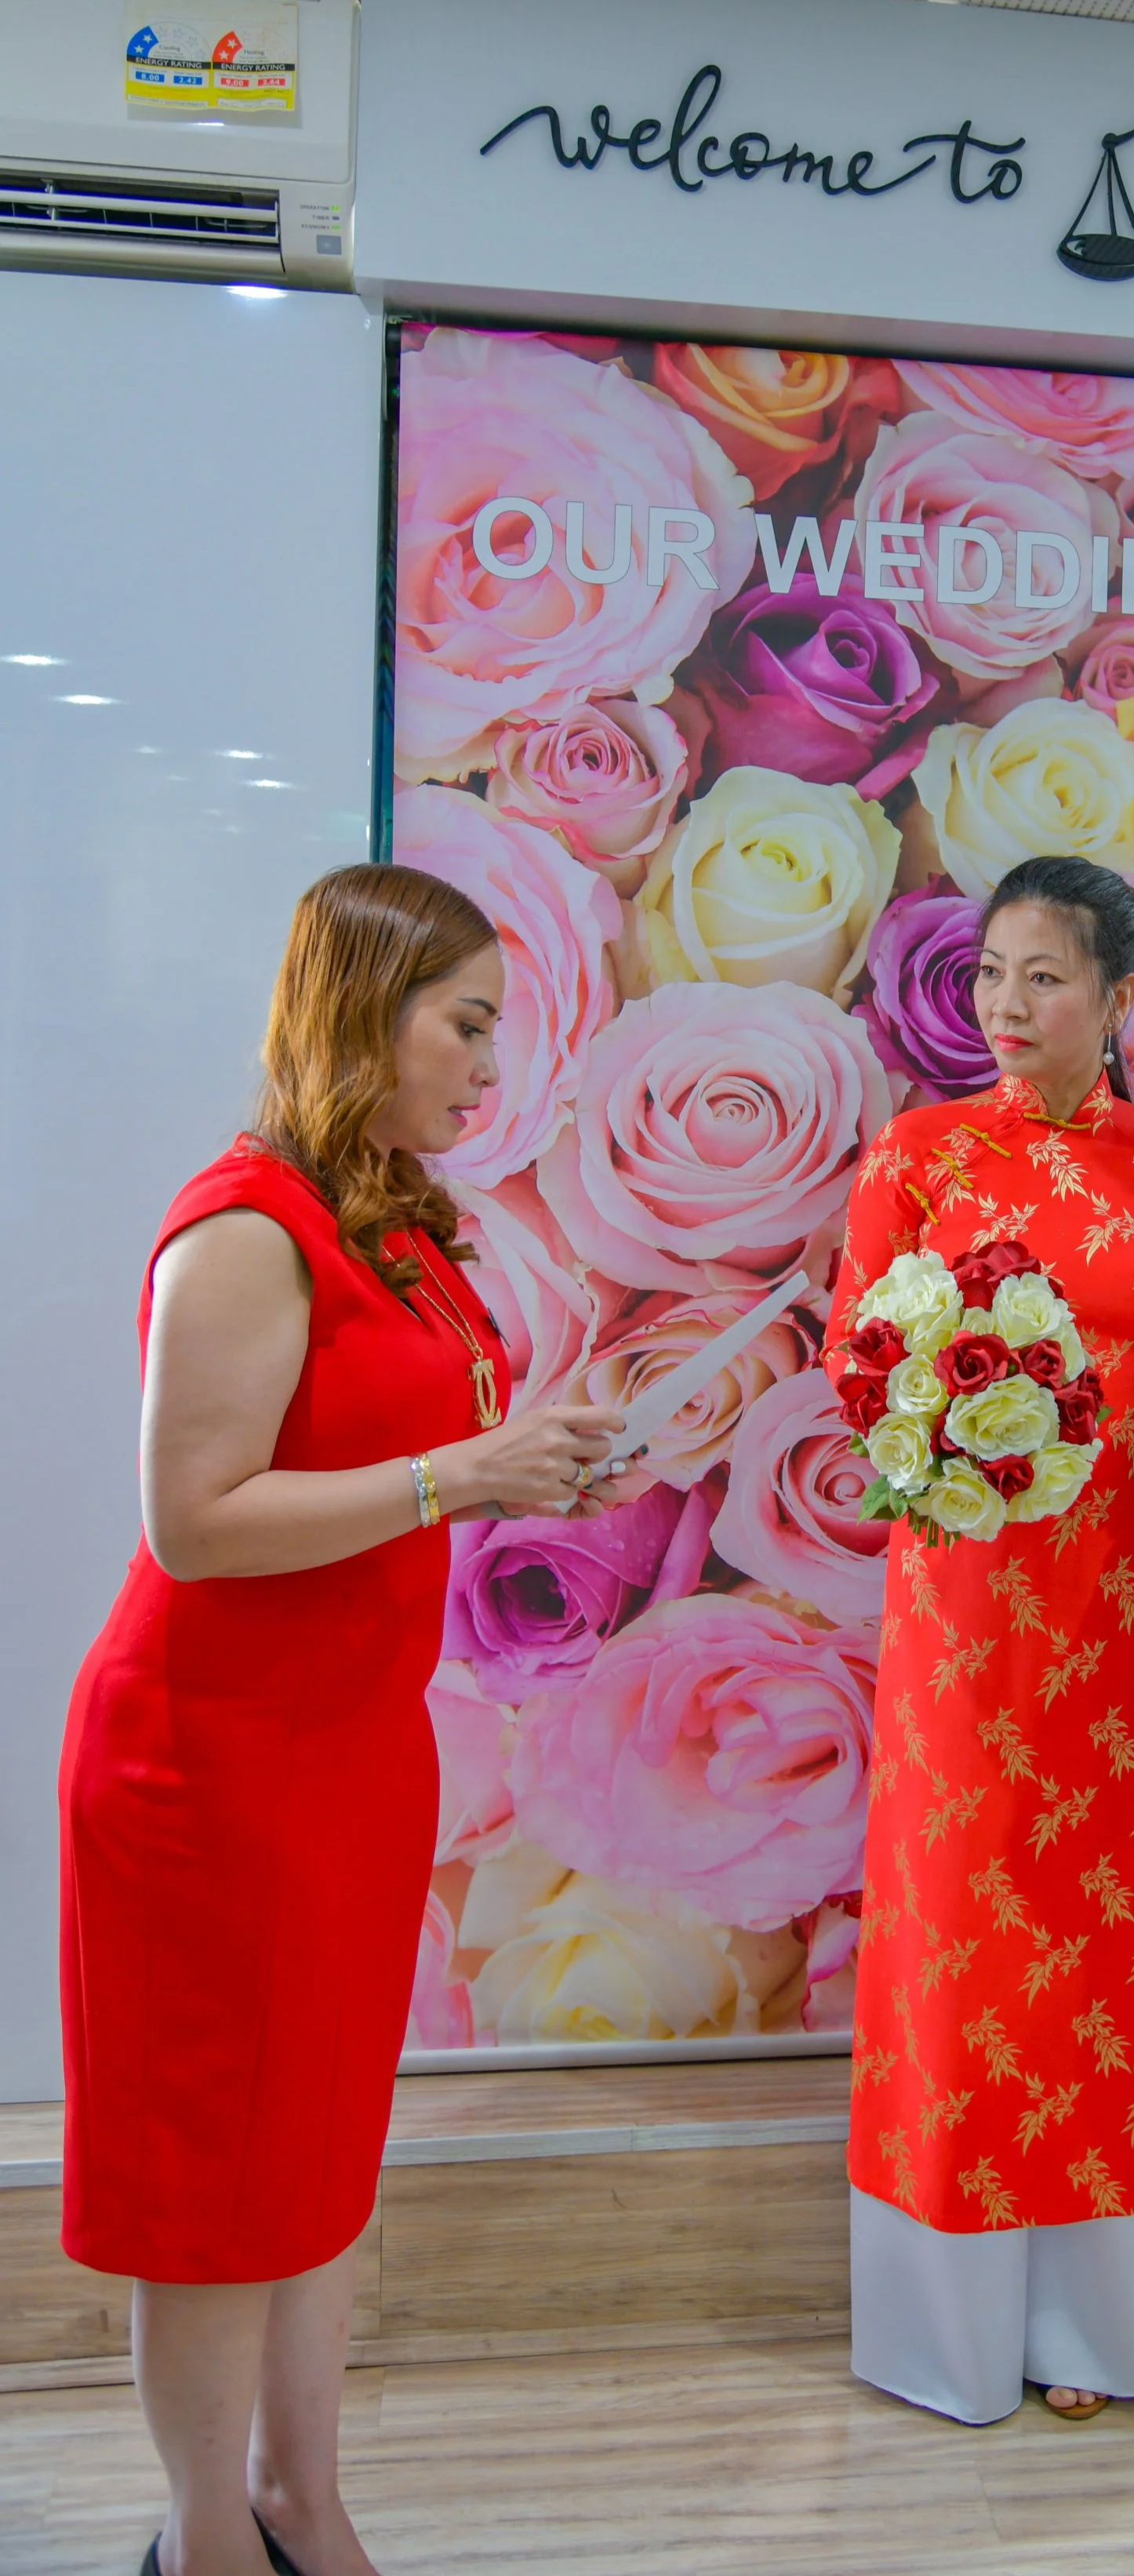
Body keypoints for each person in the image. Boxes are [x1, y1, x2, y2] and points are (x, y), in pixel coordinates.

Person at [60, 865, 644, 2576]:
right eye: (465, 1025)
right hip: (209, 1763)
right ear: (362, 1010)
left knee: (313, 2156)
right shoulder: (246, 1226)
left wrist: (539, 1447)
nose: (488, 1068)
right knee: (212, 2185)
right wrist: (453, 1474)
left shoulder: (392, 1218)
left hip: (344, 1753)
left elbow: (388, 1466)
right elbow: (194, 1522)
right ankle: (201, 2538)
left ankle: (306, 2500)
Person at [823, 856, 1134, 2426]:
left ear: (1123, 997)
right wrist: (924, 1410)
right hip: (958, 1613)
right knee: (957, 1942)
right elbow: (853, 1358)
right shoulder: (916, 1156)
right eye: (992, 974)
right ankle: (952, 2317)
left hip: (1127, 1606)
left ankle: (1099, 2320)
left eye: (1045, 978)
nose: (1008, 1007)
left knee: (1107, 1945)